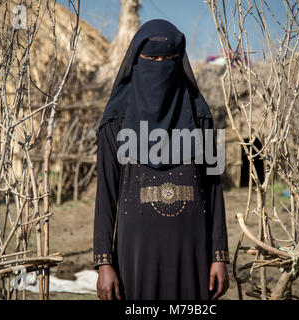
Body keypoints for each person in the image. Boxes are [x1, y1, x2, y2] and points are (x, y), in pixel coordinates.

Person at [93, 19, 229, 300]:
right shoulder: (115, 122)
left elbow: (215, 190)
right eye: (151, 58)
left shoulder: (202, 119)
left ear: (180, 61)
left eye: (168, 58)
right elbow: (104, 194)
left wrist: (219, 256)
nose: (160, 64)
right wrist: (104, 263)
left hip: (193, 251)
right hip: (136, 254)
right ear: (136, 60)